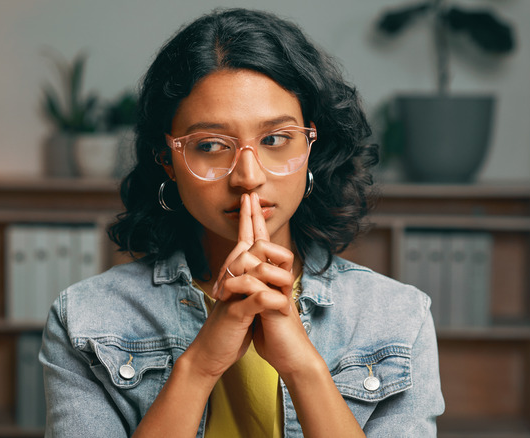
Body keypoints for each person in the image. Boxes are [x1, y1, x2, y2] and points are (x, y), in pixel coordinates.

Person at [40, 8, 444, 437]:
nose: (248, 176)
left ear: (311, 146)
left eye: (274, 140)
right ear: (168, 162)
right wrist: (199, 365)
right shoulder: (85, 320)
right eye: (211, 145)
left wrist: (304, 369)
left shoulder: (398, 318)